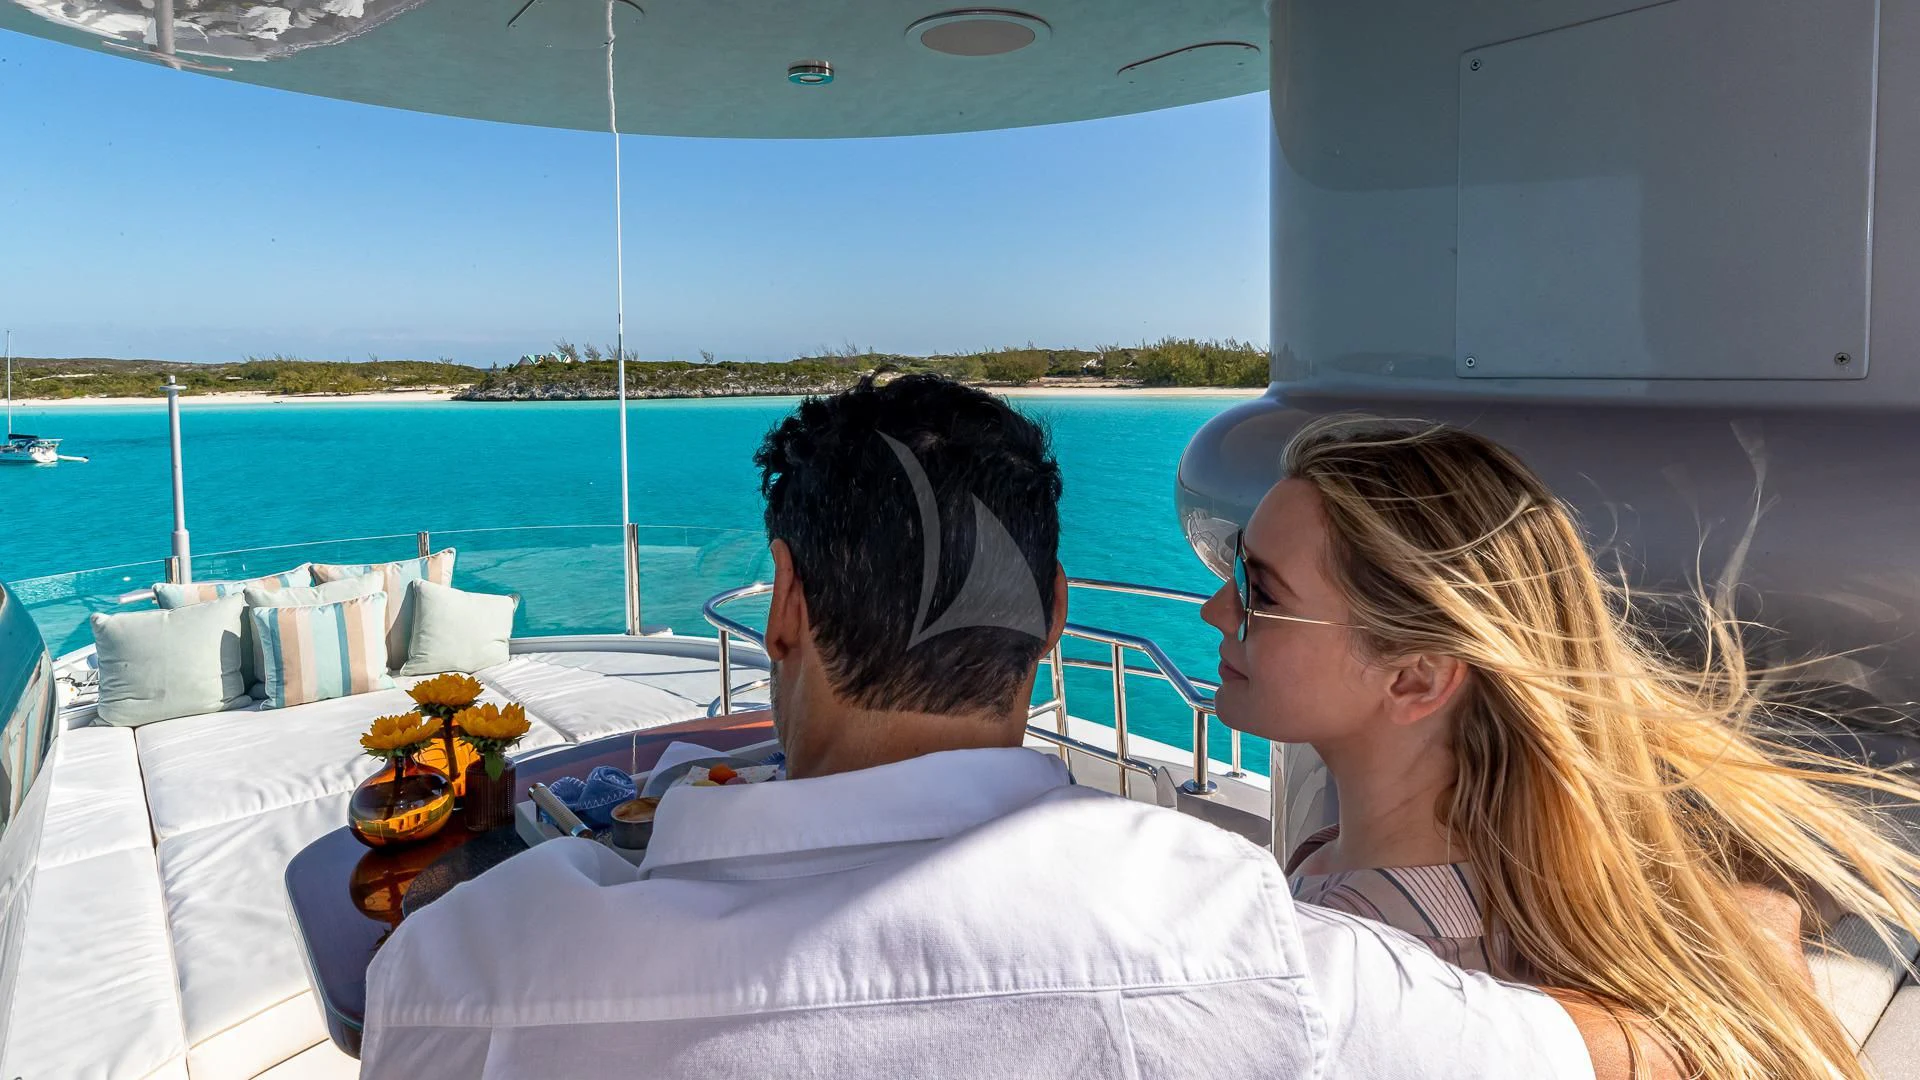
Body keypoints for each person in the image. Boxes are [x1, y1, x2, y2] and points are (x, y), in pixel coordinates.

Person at [363, 377, 1628, 1079]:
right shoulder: (1247, 944)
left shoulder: (466, 974)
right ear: (1058, 616)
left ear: (785, 603)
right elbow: (1615, 1053)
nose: (1219, 609)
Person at [1202, 413, 1920, 1080]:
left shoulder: (1366, 976)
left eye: (1261, 593)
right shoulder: (1507, 879)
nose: (1215, 609)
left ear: (1416, 677)